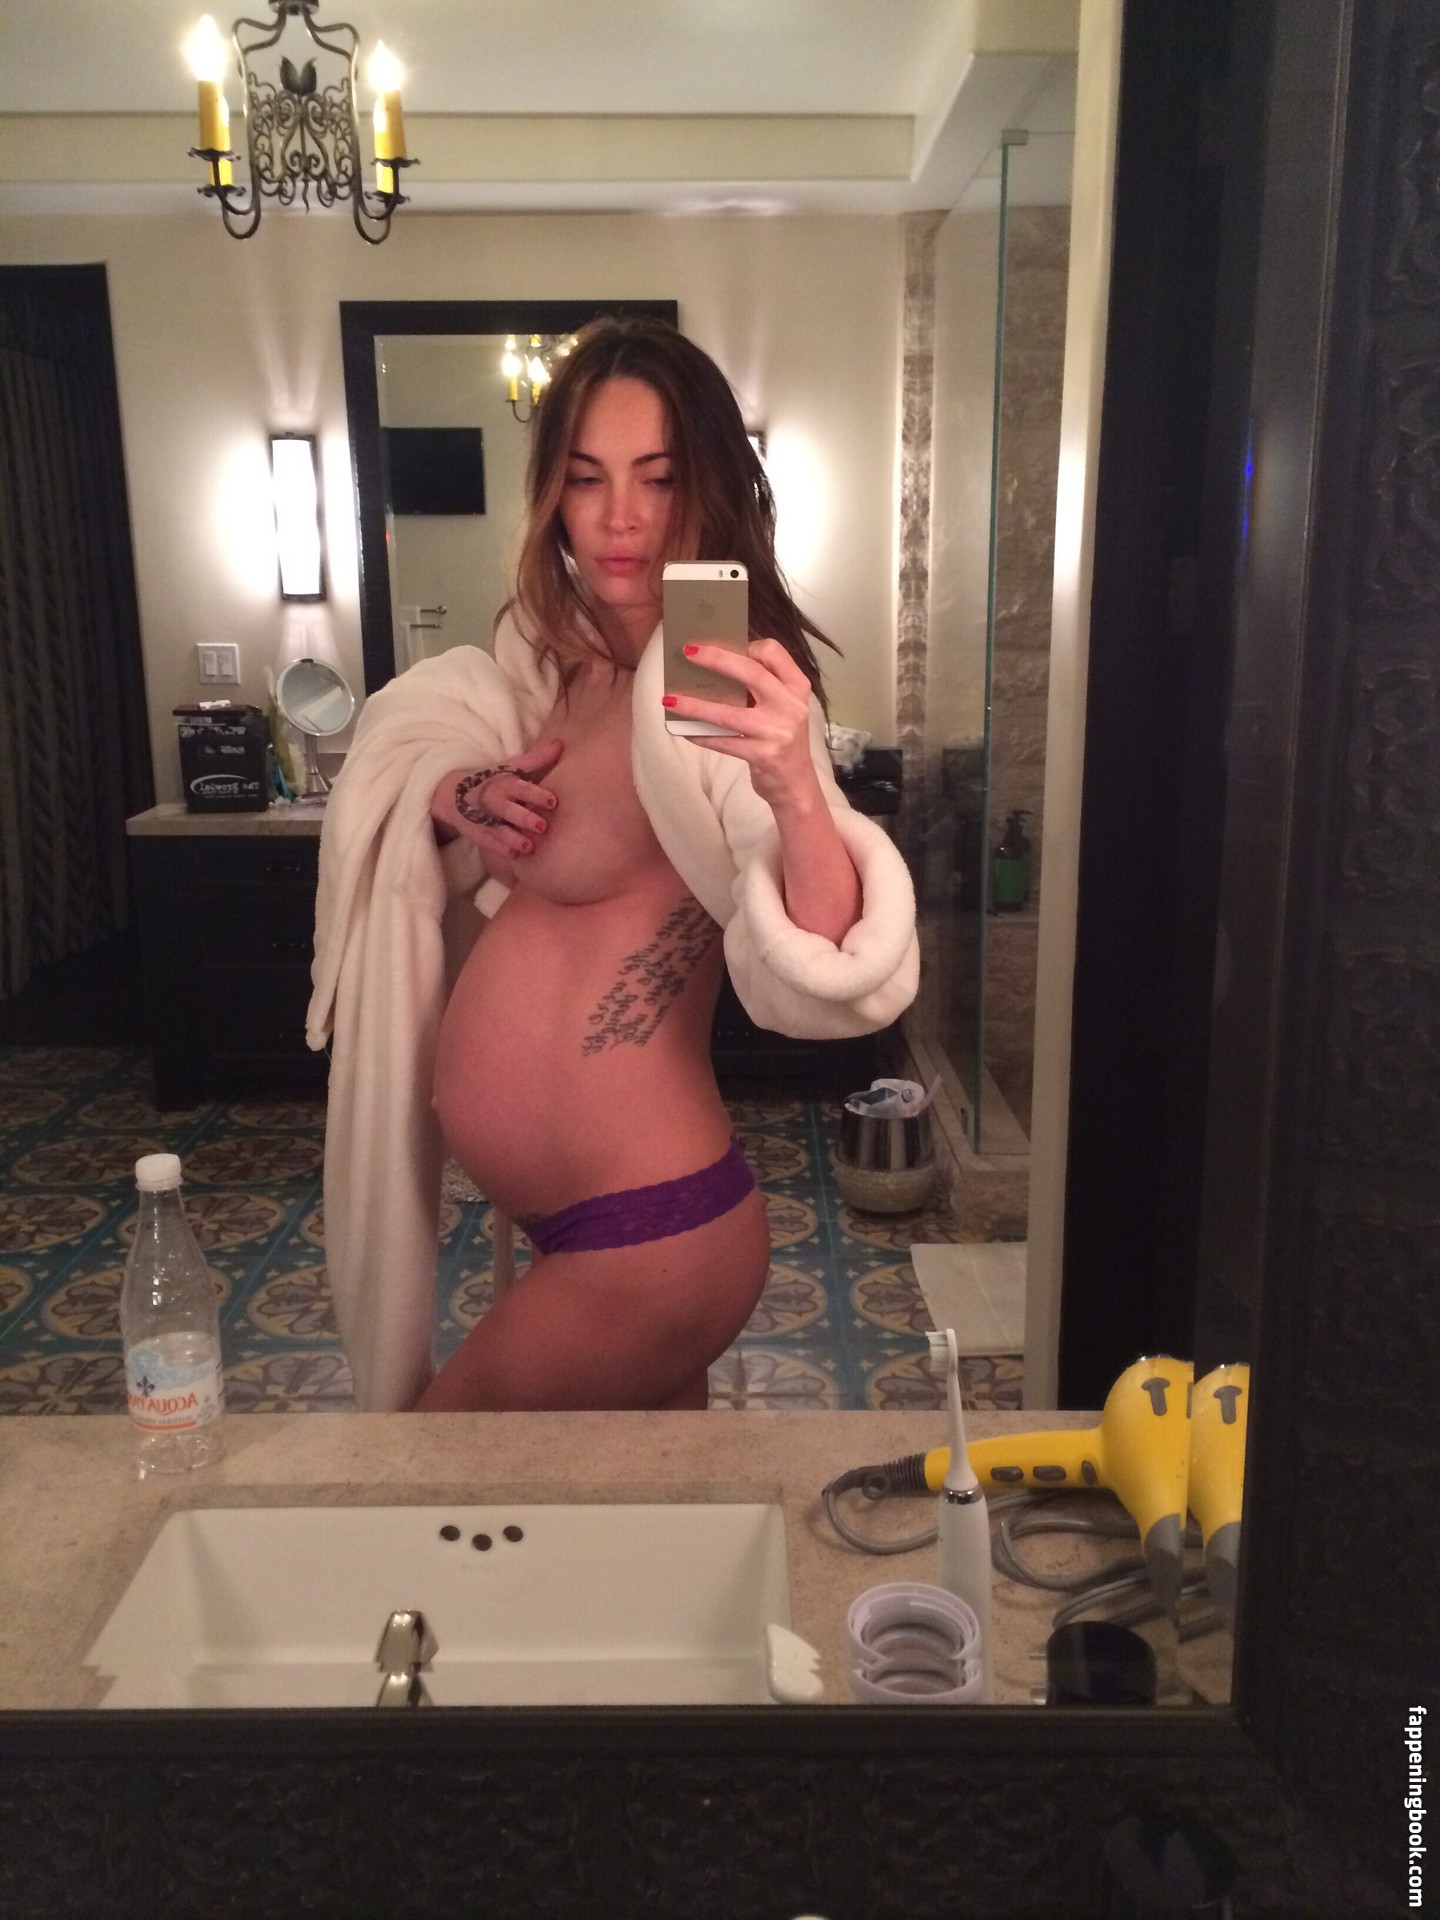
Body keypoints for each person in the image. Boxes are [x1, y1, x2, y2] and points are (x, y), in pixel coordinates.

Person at [307, 316, 918, 1413]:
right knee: (630, 1517)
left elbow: (832, 957)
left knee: (419, 1473)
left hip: (651, 1231)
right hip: (590, 1224)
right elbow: (428, 752)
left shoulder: (714, 682)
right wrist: (454, 791)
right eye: (587, 478)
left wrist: (792, 783)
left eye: (657, 477)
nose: (619, 516)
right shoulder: (555, 672)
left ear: (708, 487)